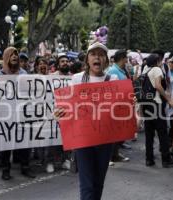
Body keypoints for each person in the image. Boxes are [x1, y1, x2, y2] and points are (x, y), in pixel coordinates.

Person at [54, 42, 118, 200]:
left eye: (101, 54)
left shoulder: (113, 79)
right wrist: (59, 113)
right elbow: (67, 106)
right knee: (87, 184)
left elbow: (120, 108)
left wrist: (132, 111)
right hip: (84, 140)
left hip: (105, 139)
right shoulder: (77, 79)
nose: (97, 57)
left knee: (98, 182)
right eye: (93, 54)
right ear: (87, 60)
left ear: (106, 61)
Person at [0, 47, 35, 180]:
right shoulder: (0, 74)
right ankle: (6, 169)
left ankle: (25, 167)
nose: (14, 57)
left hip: (22, 112)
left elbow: (30, 91)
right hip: (6, 113)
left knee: (25, 141)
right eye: (11, 54)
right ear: (6, 57)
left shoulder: (24, 73)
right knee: (7, 142)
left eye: (16, 54)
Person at [140, 54, 173, 167]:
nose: (162, 62)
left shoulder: (146, 70)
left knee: (149, 133)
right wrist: (169, 100)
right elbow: (158, 85)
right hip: (156, 104)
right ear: (157, 61)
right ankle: (166, 159)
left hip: (146, 104)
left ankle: (149, 159)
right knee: (162, 133)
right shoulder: (156, 69)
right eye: (160, 61)